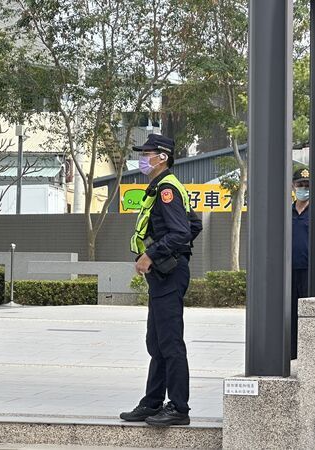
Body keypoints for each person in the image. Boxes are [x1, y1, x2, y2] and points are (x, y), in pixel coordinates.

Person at [120, 134, 202, 427]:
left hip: (169, 274)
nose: (142, 159)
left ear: (162, 157)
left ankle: (179, 407)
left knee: (170, 342)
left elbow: (181, 232)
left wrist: (153, 255)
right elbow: (194, 224)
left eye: (147, 154)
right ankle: (152, 402)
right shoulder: (161, 187)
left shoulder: (167, 189)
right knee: (156, 342)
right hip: (164, 274)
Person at [291, 167, 309, 360]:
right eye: (300, 184)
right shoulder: (286, 211)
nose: (303, 188)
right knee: (290, 314)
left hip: (308, 271)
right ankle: (291, 353)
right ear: (293, 186)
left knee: (307, 314)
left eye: (307, 185)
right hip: (289, 271)